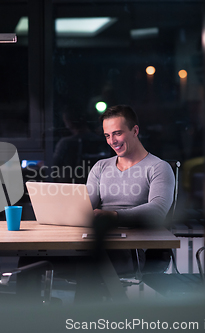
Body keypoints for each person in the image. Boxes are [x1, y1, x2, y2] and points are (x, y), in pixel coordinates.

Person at [85, 104, 175, 274]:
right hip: (101, 239)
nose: (112, 141)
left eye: (117, 133)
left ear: (135, 131)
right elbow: (86, 205)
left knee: (91, 261)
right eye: (107, 135)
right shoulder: (100, 167)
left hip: (133, 247)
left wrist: (114, 216)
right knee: (33, 257)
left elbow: (158, 210)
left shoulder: (158, 167)